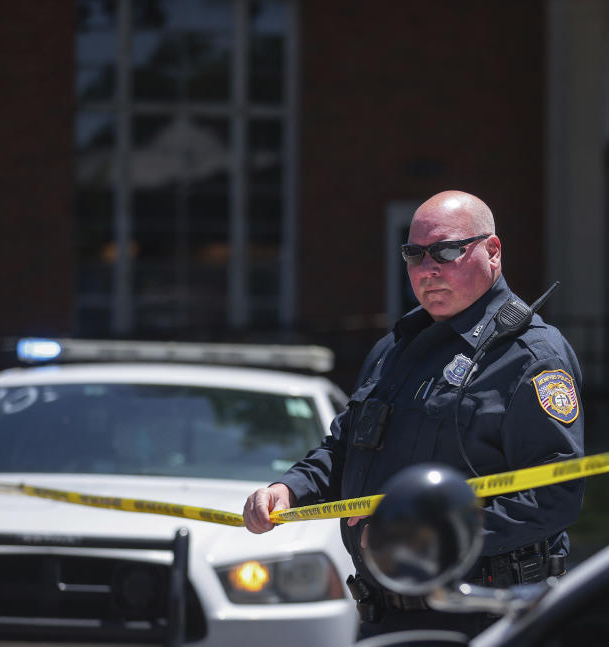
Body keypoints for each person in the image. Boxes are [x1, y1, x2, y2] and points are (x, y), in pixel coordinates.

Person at [244, 190, 585, 640]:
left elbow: (553, 496)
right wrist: (289, 489)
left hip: (483, 614)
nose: (428, 269)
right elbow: (345, 447)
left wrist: (420, 538)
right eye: (414, 254)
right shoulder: (395, 348)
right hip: (385, 612)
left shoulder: (530, 357)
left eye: (446, 251)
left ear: (492, 251)